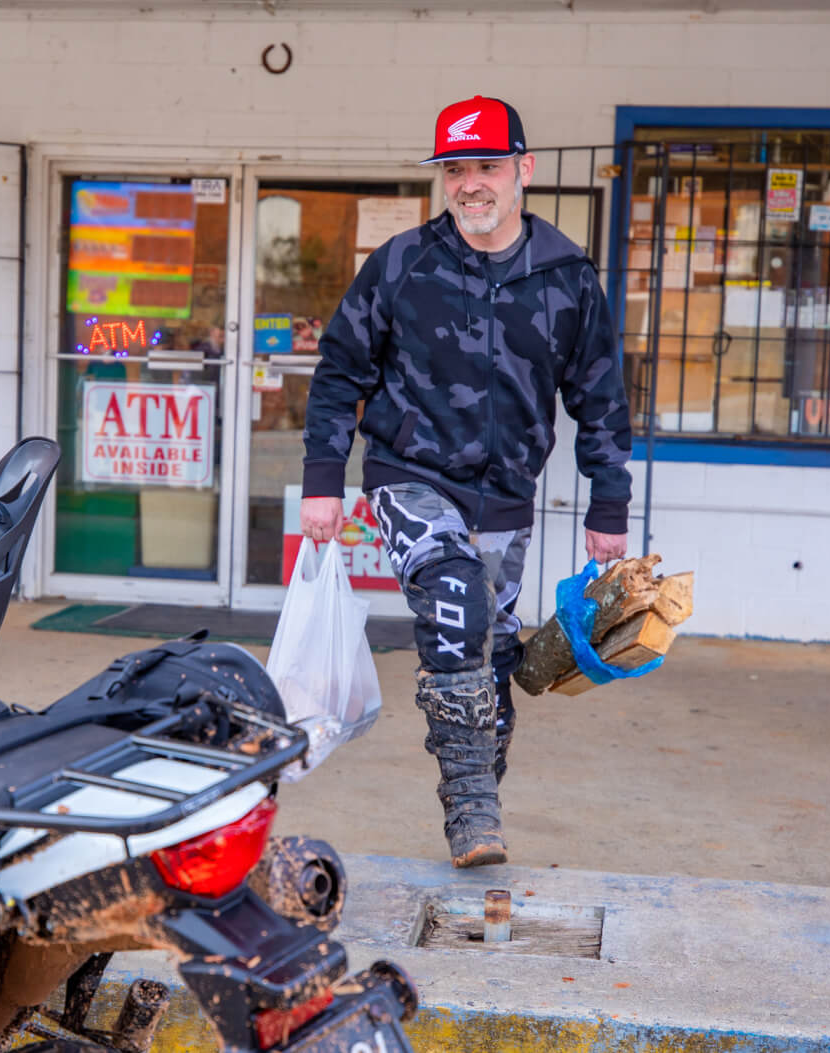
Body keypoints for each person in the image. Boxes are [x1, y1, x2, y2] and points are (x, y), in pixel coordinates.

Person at [299, 96, 632, 868]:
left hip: (507, 495)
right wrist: (324, 478)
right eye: (456, 168)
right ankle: (472, 808)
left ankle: (479, 786)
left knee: (489, 657)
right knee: (456, 599)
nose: (471, 184)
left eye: (486, 166)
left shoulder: (566, 276)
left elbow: (601, 398)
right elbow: (340, 370)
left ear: (524, 170)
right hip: (408, 473)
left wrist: (607, 501)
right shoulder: (402, 263)